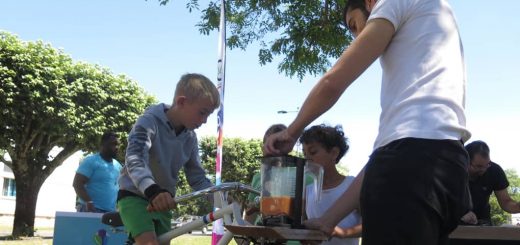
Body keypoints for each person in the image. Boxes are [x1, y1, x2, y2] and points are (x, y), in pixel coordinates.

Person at [263, 0, 471, 244]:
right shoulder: (434, 22)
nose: (357, 35)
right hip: (450, 167)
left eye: (354, 25)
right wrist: (329, 219)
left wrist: (292, 131)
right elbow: (386, 157)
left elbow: (333, 82)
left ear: (370, 3)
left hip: (409, 170)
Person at [117, 73, 220, 245]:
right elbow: (135, 158)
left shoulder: (190, 138)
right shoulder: (149, 122)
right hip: (135, 195)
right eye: (202, 113)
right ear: (181, 102)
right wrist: (152, 190)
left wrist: (221, 198)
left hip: (163, 202)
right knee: (149, 243)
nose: (204, 121)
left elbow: (197, 177)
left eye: (208, 115)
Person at [300, 124, 361, 245]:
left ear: (334, 153)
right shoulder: (307, 191)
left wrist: (343, 232)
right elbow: (304, 227)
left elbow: (372, 224)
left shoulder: (352, 186)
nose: (307, 159)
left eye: (313, 152)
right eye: (305, 154)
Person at [460, 140, 520, 225]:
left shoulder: (495, 171)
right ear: (465, 161)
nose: (483, 170)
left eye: (487, 165)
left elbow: (506, 203)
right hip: (453, 222)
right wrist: (460, 214)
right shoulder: (454, 172)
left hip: (483, 222)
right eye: (478, 166)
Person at [244, 124, 287, 226]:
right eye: (267, 144)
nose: (271, 149)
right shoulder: (258, 178)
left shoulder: (300, 177)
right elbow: (249, 218)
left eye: (276, 144)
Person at [73, 132, 122, 213]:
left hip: (110, 212)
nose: (116, 147)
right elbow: (77, 183)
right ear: (103, 145)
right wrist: (88, 202)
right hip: (91, 209)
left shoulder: (118, 165)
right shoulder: (91, 161)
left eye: (118, 144)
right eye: (113, 144)